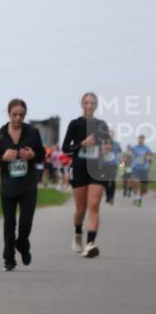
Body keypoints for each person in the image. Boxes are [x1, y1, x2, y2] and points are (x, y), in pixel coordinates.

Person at [0, 99, 44, 271]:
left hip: (28, 185)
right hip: (8, 186)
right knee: (9, 224)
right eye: (14, 114)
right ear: (9, 113)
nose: (18, 118)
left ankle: (23, 245)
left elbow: (42, 155)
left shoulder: (32, 132)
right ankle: (8, 259)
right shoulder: (1, 135)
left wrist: (32, 155)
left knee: (25, 223)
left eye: (21, 115)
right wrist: (3, 158)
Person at [62, 92, 111, 258]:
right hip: (79, 168)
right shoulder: (75, 124)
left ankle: (90, 244)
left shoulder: (101, 125)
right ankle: (77, 233)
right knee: (81, 209)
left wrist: (106, 148)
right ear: (82, 104)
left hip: (97, 168)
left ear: (96, 105)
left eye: (92, 103)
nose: (89, 105)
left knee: (94, 205)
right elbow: (65, 148)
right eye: (86, 103)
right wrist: (82, 144)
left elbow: (107, 145)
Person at [129, 135, 153, 207]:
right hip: (136, 168)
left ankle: (140, 199)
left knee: (144, 188)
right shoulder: (134, 148)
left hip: (144, 169)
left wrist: (149, 159)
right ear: (138, 140)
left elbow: (150, 159)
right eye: (139, 139)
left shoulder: (147, 149)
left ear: (144, 140)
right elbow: (130, 155)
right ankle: (136, 197)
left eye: (142, 139)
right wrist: (130, 155)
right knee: (136, 182)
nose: (141, 140)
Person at [101, 138, 121, 205]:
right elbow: (101, 152)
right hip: (105, 165)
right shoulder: (103, 142)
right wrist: (104, 148)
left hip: (113, 165)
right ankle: (108, 196)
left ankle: (111, 197)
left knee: (112, 181)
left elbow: (120, 151)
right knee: (105, 182)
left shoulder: (116, 144)